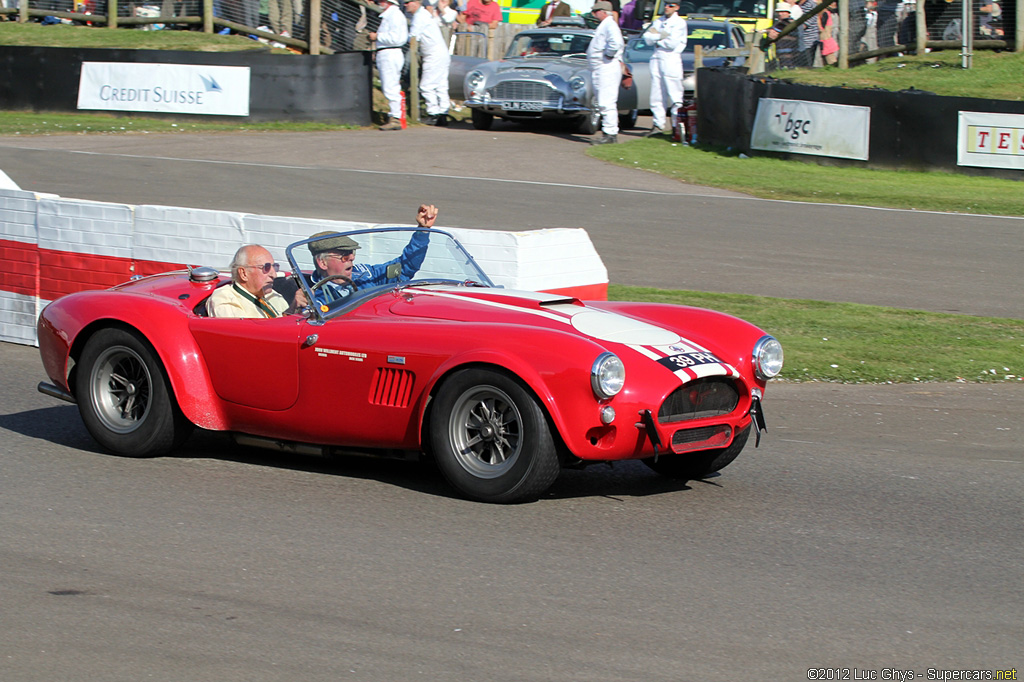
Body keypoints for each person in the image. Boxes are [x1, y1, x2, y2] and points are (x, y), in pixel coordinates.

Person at [307, 204, 439, 306]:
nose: (352, 258)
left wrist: (423, 231)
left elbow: (404, 268)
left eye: (352, 253)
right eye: (344, 256)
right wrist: (298, 305)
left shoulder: (366, 274)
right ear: (323, 263)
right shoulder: (314, 295)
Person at [207, 245, 298, 318]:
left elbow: (285, 323)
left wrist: (296, 308)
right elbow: (243, 336)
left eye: (274, 267)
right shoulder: (225, 298)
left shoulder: (271, 294)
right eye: (266, 268)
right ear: (244, 274)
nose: (274, 275)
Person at [642, 0, 687, 137]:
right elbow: (647, 37)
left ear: (677, 7)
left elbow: (671, 43)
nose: (667, 7)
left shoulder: (679, 23)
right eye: (666, 5)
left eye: (671, 5)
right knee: (656, 93)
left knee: (674, 93)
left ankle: (676, 126)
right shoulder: (658, 21)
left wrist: (657, 36)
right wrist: (661, 35)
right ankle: (658, 125)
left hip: (671, 58)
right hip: (657, 56)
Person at [586, 0, 624, 145]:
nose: (594, 15)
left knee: (606, 102)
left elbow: (616, 43)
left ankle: (610, 133)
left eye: (596, 12)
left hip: (606, 67)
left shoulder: (610, 25)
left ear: (603, 12)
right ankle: (608, 132)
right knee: (603, 101)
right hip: (601, 68)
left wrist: (608, 55)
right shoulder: (605, 25)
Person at [408, 0, 452, 126]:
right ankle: (443, 113)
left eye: (408, 2)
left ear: (416, 3)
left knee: (426, 86)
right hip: (441, 53)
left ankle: (433, 114)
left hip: (433, 55)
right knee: (441, 86)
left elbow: (413, 36)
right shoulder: (425, 15)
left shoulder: (419, 17)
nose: (405, 5)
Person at [369, 0, 409, 131]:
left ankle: (396, 117)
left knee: (390, 87)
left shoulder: (395, 16)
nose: (379, 3)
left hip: (390, 53)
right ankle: (394, 115)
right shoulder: (391, 16)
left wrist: (377, 36)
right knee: (391, 85)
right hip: (388, 52)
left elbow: (397, 38)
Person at [768, 2, 802, 68]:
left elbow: (775, 29)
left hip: (790, 52)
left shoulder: (788, 22)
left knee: (788, 68)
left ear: (788, 13)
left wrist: (767, 31)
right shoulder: (779, 23)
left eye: (783, 12)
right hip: (782, 51)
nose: (780, 14)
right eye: (778, 12)